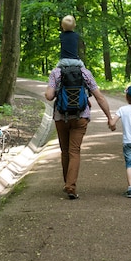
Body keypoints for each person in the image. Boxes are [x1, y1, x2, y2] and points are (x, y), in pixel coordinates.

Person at [45, 64, 114, 200]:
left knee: (65, 151)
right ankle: (71, 186)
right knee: (74, 151)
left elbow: (49, 96)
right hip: (80, 117)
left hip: (61, 116)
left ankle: (67, 183)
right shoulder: (85, 72)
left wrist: (50, 92)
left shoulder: (56, 72)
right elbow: (99, 97)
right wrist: (109, 118)